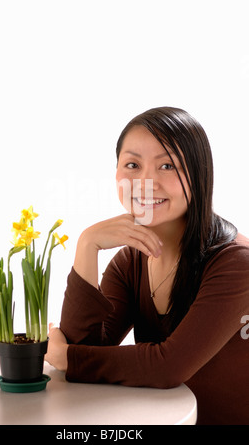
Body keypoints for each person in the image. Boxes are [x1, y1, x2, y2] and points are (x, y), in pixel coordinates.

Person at [45, 106, 249, 425]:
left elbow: (167, 367)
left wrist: (65, 357)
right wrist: (87, 245)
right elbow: (87, 348)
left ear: (199, 174)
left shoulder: (237, 263)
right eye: (132, 165)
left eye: (167, 165)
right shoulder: (131, 261)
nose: (146, 181)